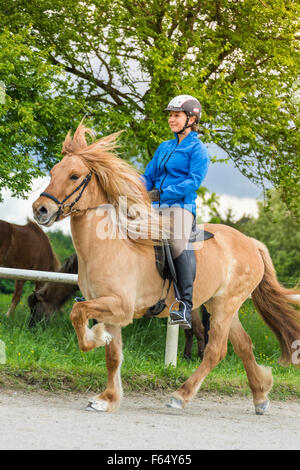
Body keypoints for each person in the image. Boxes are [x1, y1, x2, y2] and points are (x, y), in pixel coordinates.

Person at [142, 95, 210, 329]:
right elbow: (148, 176)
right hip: (154, 206)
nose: (171, 119)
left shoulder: (198, 150)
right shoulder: (164, 146)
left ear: (191, 119)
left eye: (176, 115)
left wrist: (162, 194)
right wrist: (135, 188)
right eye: (170, 115)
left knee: (177, 242)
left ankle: (184, 305)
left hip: (180, 207)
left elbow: (192, 183)